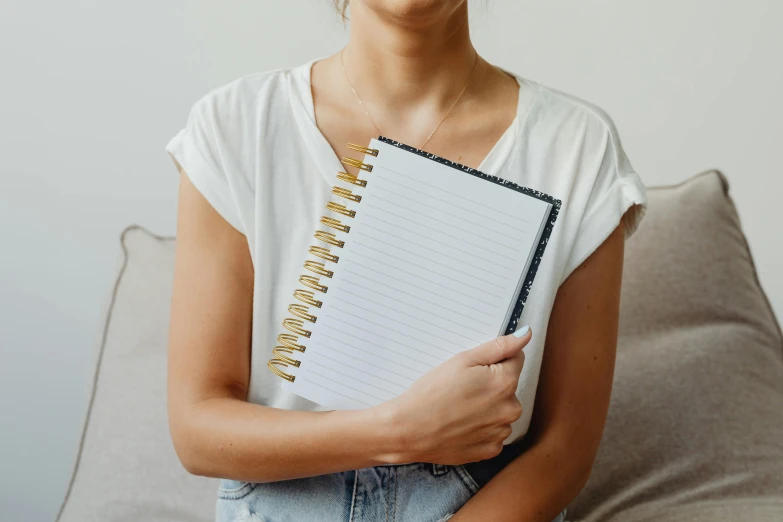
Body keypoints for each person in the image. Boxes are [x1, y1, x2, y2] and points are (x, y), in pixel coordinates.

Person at [165, 1, 646, 520]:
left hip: (483, 503)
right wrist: (399, 430)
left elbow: (565, 451)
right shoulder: (236, 126)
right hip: (282, 500)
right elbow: (197, 429)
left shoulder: (577, 147)